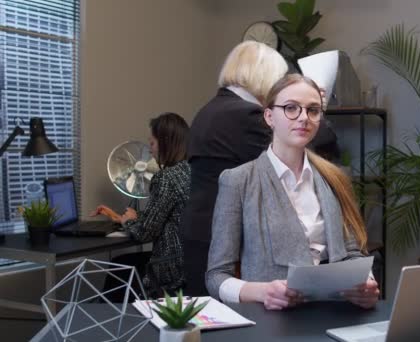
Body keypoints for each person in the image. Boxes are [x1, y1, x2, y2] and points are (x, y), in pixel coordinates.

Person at [206, 74, 379, 310]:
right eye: (291, 108)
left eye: (313, 110)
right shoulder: (238, 181)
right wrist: (262, 292)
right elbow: (216, 277)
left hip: (336, 314)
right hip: (272, 322)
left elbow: (352, 253)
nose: (303, 118)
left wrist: (367, 284)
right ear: (269, 116)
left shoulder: (334, 178)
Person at [180, 41, 288, 296]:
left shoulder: (209, 110)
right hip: (224, 243)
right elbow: (292, 157)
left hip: (199, 231)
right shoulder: (247, 115)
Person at [93, 112, 190, 299]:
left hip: (171, 267)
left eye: (152, 143)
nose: (150, 151)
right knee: (122, 262)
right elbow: (167, 216)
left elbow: (146, 233)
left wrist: (127, 221)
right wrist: (135, 218)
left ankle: (110, 319)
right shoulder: (191, 171)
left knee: (119, 268)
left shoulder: (166, 178)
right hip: (190, 263)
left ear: (166, 143)